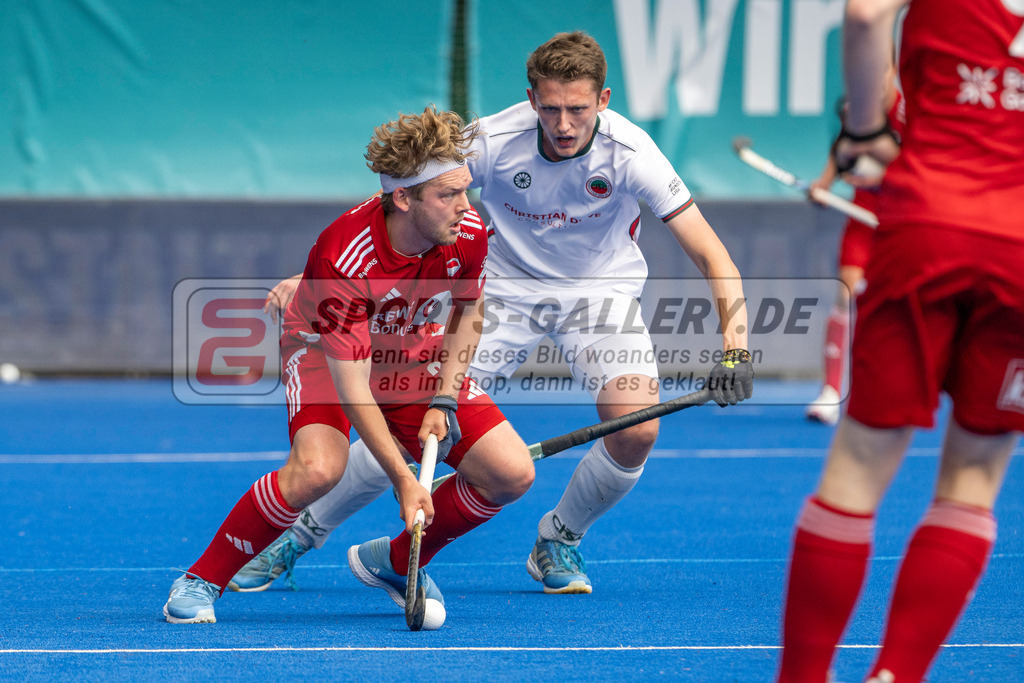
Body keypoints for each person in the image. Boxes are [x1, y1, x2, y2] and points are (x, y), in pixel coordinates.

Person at [233, 31, 754, 597]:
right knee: (419, 426)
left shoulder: (633, 153)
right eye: (549, 108)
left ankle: (559, 537)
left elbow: (712, 254)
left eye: (578, 109)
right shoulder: (493, 139)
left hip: (600, 295)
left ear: (603, 100)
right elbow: (403, 198)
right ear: (531, 98)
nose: (563, 124)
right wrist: (319, 276)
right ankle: (301, 534)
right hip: (500, 289)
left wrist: (737, 349)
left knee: (638, 430)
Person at [163, 106, 535, 625]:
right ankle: (201, 579)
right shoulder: (346, 258)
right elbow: (356, 390)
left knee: (511, 474)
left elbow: (468, 310)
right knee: (318, 470)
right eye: (448, 195)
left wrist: (444, 399)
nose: (465, 207)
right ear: (403, 198)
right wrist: (404, 481)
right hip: (322, 350)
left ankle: (398, 561)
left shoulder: (465, 230)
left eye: (465, 191)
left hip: (406, 345)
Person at [778, 1, 1024, 681]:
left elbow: (864, 16)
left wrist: (865, 129)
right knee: (975, 477)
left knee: (859, 466)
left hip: (928, 222)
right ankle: (897, 674)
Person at [805, 67, 905, 426]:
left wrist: (880, 178)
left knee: (899, 306)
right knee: (845, 293)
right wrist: (823, 184)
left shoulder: (913, 110)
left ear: (892, 72)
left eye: (882, 71)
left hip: (903, 219)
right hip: (862, 220)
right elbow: (843, 147)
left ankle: (891, 390)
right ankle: (831, 392)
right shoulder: (859, 108)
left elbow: (922, 164)